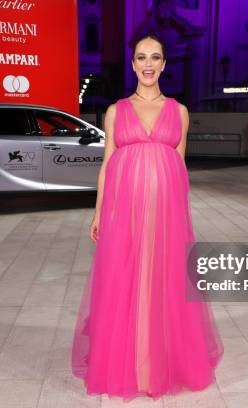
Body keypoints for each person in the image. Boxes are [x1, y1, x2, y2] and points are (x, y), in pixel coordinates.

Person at [71, 33, 224, 402]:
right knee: (126, 280)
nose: (149, 64)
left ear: (165, 64)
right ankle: (130, 364)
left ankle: (158, 362)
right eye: (142, 57)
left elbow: (179, 167)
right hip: (123, 214)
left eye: (156, 57)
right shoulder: (115, 110)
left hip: (166, 216)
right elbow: (107, 164)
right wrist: (98, 212)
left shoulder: (180, 111)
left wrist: (180, 215)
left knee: (162, 284)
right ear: (133, 63)